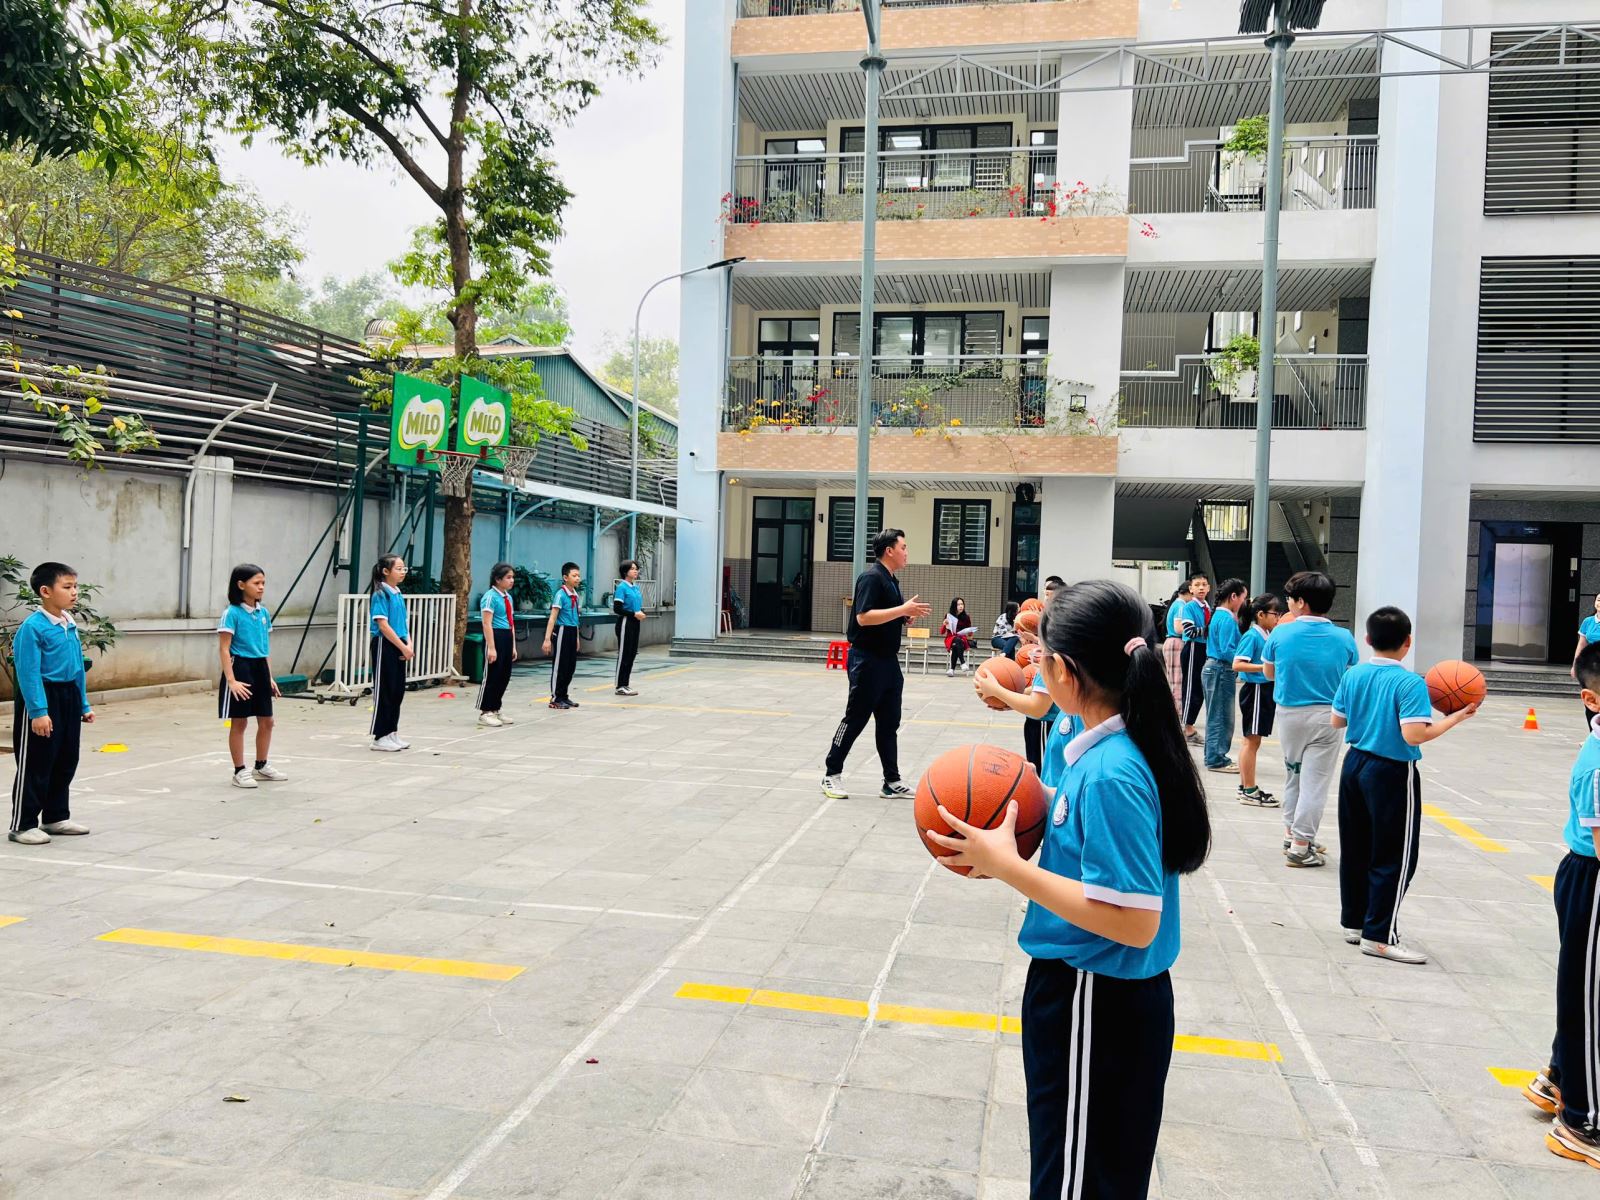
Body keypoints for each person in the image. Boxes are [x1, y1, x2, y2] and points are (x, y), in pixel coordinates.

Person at [925, 580, 1210, 1200]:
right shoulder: (1114, 745)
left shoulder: (1112, 772)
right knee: (1088, 1172)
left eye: (1042, 656)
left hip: (1095, 997)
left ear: (1066, 671)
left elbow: (1134, 921)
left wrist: (1007, 866)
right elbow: (1095, 829)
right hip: (1100, 995)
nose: (1034, 663)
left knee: (1076, 1182)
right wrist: (1034, 800)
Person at [1332, 606, 1477, 964]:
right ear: (1408, 642)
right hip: (1391, 771)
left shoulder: (1353, 674)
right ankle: (1379, 936)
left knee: (1356, 848)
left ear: (1367, 639)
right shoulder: (1410, 683)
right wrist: (1456, 717)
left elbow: (1337, 721)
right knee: (1394, 856)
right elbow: (1414, 734)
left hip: (1354, 765)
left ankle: (1356, 923)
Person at [1526, 641, 1600, 1167]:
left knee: (1586, 992)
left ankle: (1559, 1076)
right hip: (1593, 880)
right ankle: (1583, 1122)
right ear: (1591, 699)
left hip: (1586, 877)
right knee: (1591, 1001)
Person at [821, 528, 930, 800]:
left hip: (888, 662)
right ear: (889, 550)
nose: (906, 552)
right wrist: (902, 609)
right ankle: (831, 773)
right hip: (866, 660)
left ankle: (891, 781)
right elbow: (864, 617)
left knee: (889, 722)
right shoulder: (871, 577)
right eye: (903, 547)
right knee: (856, 718)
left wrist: (904, 617)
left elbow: (885, 615)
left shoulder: (891, 579)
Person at [1263, 570, 1358, 867]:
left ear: (1301, 602)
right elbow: (1349, 676)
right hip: (1327, 717)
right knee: (1315, 783)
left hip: (1289, 714)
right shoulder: (1344, 638)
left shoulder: (1280, 633)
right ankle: (1301, 845)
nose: (1288, 603)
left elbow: (1269, 673)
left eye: (1290, 599)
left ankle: (1291, 833)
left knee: (1294, 775)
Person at [8, 562, 94, 845]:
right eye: (67, 587)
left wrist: (83, 704)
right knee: (37, 762)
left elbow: (78, 667)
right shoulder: (33, 628)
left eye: (75, 586)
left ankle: (55, 817)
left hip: (68, 696)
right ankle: (23, 825)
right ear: (45, 591)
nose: (74, 592)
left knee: (66, 758)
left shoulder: (69, 623)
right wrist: (38, 712)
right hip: (43, 697)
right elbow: (28, 673)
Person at [218, 563, 285, 787]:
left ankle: (261, 766)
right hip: (240, 668)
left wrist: (270, 677)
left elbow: (265, 648)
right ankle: (239, 771)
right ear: (241, 585)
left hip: (260, 668)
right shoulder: (232, 613)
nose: (261, 587)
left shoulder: (263, 612)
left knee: (268, 721)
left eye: (263, 583)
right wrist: (232, 681)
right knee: (239, 722)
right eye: (256, 583)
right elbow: (224, 649)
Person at [1232, 594, 1282, 807]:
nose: (1278, 618)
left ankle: (1246, 786)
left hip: (1263, 690)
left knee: (1253, 740)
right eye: (1275, 614)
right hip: (1256, 691)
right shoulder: (1253, 636)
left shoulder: (1267, 634)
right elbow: (1237, 664)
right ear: (1261, 615)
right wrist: (1264, 667)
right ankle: (1249, 790)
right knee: (1251, 740)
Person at [1201, 578, 1247, 774]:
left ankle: (1214, 756)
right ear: (1234, 596)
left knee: (1216, 716)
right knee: (1221, 717)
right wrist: (1245, 662)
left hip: (1215, 669)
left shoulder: (1219, 615)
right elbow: (1227, 650)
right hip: (1221, 670)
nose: (1244, 603)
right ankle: (1216, 759)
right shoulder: (1227, 619)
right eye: (1243, 598)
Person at [1021, 577, 1066, 771]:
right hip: (1046, 701)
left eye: (1049, 595)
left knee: (1044, 760)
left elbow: (1037, 707)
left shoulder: (1058, 624)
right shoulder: (1052, 622)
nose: (1045, 599)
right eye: (1045, 594)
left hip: (1048, 712)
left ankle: (1039, 779)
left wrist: (1001, 692)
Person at [368, 554, 412, 752]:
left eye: (404, 568)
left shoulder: (397, 593)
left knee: (397, 691)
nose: (403, 572)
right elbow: (383, 625)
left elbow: (404, 623)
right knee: (385, 690)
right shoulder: (380, 594)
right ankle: (380, 736)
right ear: (386, 571)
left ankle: (392, 731)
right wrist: (402, 647)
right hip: (385, 645)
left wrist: (408, 644)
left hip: (399, 643)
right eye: (399, 568)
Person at [476, 562, 518, 728]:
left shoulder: (508, 597)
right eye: (508, 577)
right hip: (495, 636)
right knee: (492, 676)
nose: (511, 580)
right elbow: (487, 623)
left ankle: (496, 708)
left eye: (512, 577)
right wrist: (491, 647)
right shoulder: (490, 597)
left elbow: (511, 622)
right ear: (498, 579)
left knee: (504, 675)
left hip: (506, 636)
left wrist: (513, 646)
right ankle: (485, 711)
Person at [1176, 573, 1212, 745]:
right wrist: (1209, 629)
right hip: (1193, 648)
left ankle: (1189, 726)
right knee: (1191, 688)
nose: (1201, 588)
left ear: (1209, 588)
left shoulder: (1207, 607)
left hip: (1204, 648)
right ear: (1191, 589)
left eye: (1204, 584)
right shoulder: (1189, 607)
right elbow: (1189, 631)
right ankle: (1187, 728)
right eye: (1197, 585)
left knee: (1199, 689)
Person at [543, 562, 582, 710]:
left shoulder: (575, 595)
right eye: (574, 575)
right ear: (565, 577)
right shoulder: (560, 595)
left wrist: (577, 637)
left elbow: (576, 618)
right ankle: (555, 698)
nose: (577, 578)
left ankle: (564, 696)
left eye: (578, 575)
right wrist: (547, 639)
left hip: (572, 631)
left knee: (570, 666)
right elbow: (553, 617)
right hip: (562, 631)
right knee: (560, 665)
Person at [613, 559, 646, 697]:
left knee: (632, 653)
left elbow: (636, 606)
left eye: (636, 568)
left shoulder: (635, 588)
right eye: (632, 568)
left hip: (635, 623)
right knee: (624, 654)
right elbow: (617, 609)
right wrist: (634, 614)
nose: (635, 571)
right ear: (625, 571)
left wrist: (641, 612)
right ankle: (620, 685)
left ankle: (625, 683)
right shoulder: (622, 587)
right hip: (625, 623)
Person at [1162, 581, 1192, 711]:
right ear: (1189, 592)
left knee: (1174, 681)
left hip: (1172, 643)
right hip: (1177, 643)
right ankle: (1178, 712)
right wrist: (1194, 629)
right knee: (1178, 681)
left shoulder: (1176, 604)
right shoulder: (1181, 606)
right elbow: (1179, 628)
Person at [1573, 592, 1600, 730]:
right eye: (1599, 600)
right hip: (1591, 667)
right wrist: (1575, 665)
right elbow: (1581, 644)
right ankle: (1593, 732)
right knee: (1590, 701)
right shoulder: (1588, 621)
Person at [942, 597, 977, 677]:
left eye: (962, 604)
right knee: (956, 640)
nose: (961, 606)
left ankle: (952, 669)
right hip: (950, 638)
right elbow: (942, 632)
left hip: (962, 639)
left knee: (956, 644)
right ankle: (963, 662)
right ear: (954, 606)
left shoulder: (966, 617)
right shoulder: (948, 616)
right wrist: (944, 624)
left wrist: (970, 632)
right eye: (958, 605)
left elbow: (969, 632)